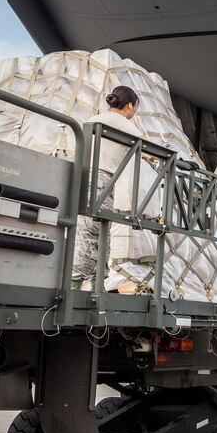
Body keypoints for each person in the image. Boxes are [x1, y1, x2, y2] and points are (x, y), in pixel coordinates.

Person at [73, 86, 146, 288]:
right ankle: (96, 286)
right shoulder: (122, 123)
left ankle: (74, 283)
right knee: (102, 233)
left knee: (82, 233)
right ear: (129, 106)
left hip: (82, 178)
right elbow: (147, 146)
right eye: (135, 107)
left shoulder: (93, 120)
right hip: (103, 182)